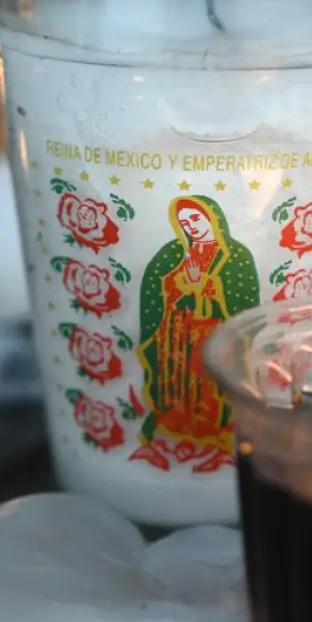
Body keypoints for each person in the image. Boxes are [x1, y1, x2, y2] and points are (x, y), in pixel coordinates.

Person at [131, 195, 260, 473]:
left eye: (196, 218)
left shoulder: (235, 256)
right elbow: (158, 289)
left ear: (213, 219)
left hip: (213, 336)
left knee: (209, 388)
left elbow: (243, 302)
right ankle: (176, 435)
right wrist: (179, 287)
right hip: (177, 335)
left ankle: (213, 442)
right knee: (179, 387)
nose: (192, 226)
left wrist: (205, 285)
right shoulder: (173, 254)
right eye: (185, 222)